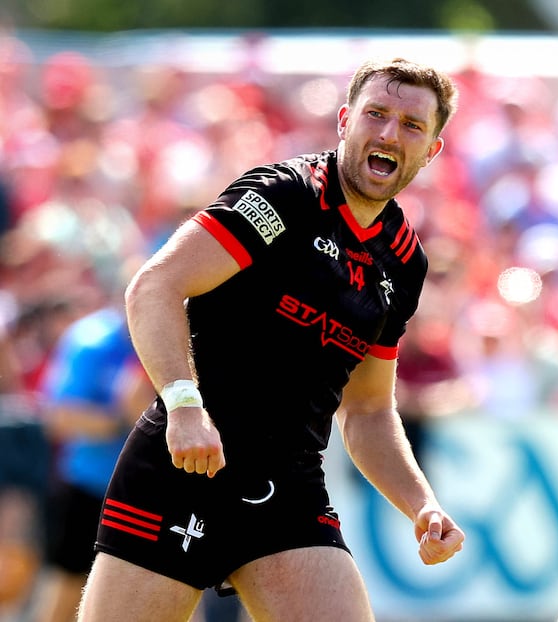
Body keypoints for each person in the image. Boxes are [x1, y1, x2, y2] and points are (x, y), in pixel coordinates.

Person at [76, 57, 466, 622]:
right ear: (344, 122)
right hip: (185, 468)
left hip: (287, 486)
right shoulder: (284, 197)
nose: (388, 133)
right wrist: (186, 405)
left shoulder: (404, 261)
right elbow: (155, 286)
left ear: (431, 151)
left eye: (411, 125)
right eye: (376, 114)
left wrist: (422, 504)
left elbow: (368, 411)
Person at [34, 300, 152, 622]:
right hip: (90, 488)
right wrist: (131, 420)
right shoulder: (91, 340)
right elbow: (59, 416)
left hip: (148, 492)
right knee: (68, 591)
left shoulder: (179, 335)